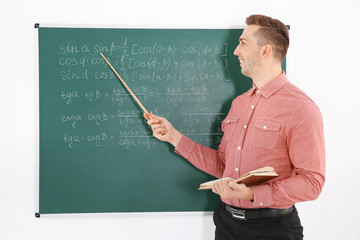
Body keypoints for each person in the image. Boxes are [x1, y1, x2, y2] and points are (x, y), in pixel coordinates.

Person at [145, 14, 325, 240]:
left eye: (243, 43)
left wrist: (252, 193)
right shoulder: (239, 104)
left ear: (265, 50)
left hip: (273, 230)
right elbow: (223, 166)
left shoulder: (301, 108)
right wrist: (173, 137)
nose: (235, 52)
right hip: (227, 224)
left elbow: (312, 183)